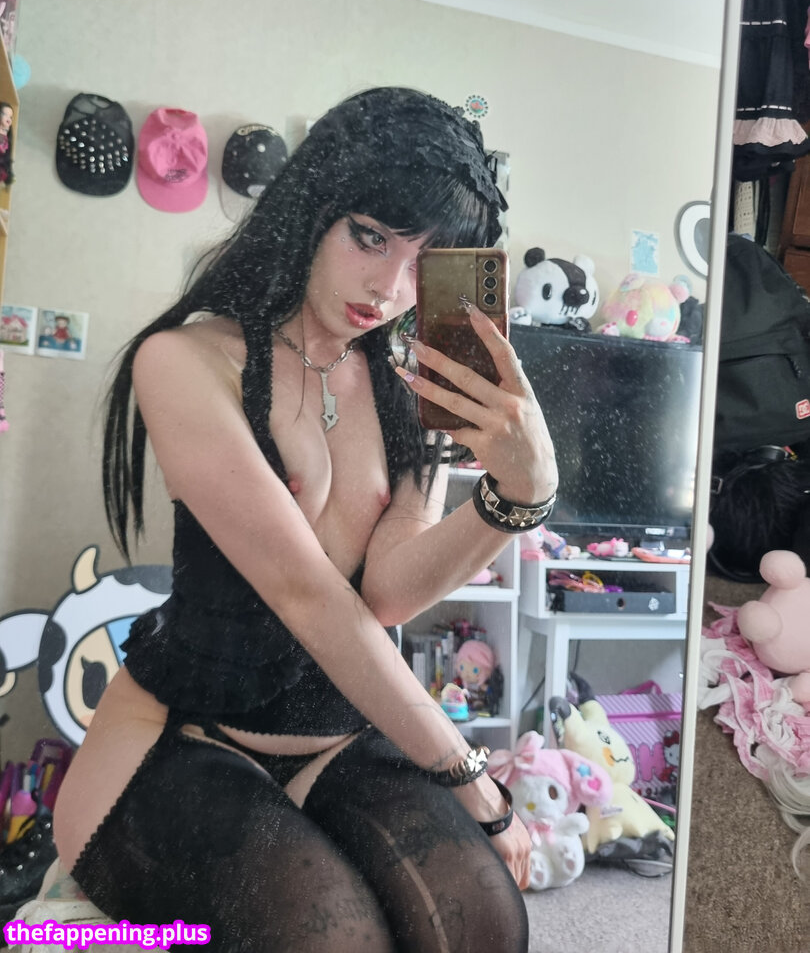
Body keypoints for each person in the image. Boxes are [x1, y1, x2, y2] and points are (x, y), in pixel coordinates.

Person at [53, 86, 558, 952]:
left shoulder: (408, 393)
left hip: (339, 737)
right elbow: (308, 598)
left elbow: (389, 593)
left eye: (423, 263)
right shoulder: (185, 362)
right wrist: (468, 771)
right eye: (371, 237)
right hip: (183, 736)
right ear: (315, 205)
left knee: (485, 921)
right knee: (331, 936)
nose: (390, 289)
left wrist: (520, 493)